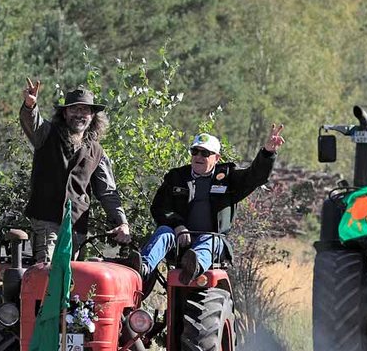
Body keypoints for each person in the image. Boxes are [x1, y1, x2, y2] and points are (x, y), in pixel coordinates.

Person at [140, 125, 285, 285]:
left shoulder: (228, 177)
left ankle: (193, 268)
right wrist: (177, 225)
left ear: (216, 158)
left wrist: (267, 152)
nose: (198, 156)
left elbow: (255, 176)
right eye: (195, 151)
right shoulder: (177, 176)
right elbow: (159, 207)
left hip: (211, 242)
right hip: (180, 240)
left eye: (205, 153)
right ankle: (142, 269)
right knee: (164, 231)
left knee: (210, 239)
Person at [19, 78, 130, 262]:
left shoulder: (97, 151)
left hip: (76, 226)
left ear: (92, 116)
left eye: (85, 110)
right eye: (74, 109)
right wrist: (30, 106)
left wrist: (122, 222)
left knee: (74, 280)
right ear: (64, 113)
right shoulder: (47, 134)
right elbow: (33, 123)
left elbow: (108, 192)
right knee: (47, 271)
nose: (79, 114)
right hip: (47, 221)